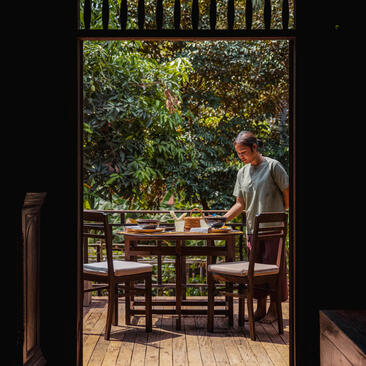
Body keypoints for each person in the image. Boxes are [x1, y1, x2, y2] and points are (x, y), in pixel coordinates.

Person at [223, 131, 289, 323]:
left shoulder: (273, 166)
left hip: (273, 229)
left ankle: (274, 310)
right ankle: (260, 308)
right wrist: (223, 219)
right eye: (238, 153)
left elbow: (287, 193)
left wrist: (280, 211)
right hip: (253, 229)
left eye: (243, 152)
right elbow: (240, 204)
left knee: (272, 270)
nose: (241, 156)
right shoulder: (242, 172)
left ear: (254, 147)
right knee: (256, 271)